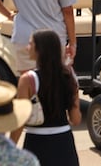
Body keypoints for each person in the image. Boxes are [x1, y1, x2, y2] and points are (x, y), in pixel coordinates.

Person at [14, 28, 81, 165]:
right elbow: (76, 119)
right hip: (64, 144)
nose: (27, 48)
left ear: (40, 50)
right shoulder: (69, 77)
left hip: (36, 144)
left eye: (30, 44)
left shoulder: (28, 80)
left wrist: (9, 145)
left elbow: (20, 120)